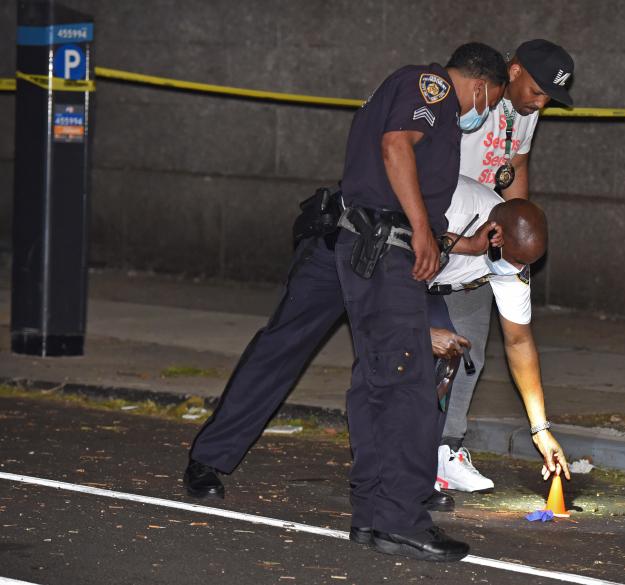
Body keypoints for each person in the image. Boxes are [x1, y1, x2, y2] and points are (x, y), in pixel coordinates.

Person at [182, 43, 508, 563]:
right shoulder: (437, 88)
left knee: (388, 373)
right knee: (317, 357)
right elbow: (395, 148)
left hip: (373, 247)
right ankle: (215, 459)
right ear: (484, 87)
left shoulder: (424, 98)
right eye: (490, 103)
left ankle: (382, 510)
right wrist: (425, 231)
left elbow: (418, 207)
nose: (484, 114)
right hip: (363, 243)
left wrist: (446, 240)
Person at [438, 39, 575, 493]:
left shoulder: (527, 113)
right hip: (443, 218)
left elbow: (516, 164)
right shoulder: (479, 99)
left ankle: (445, 449)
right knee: (416, 341)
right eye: (536, 91)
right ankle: (405, 450)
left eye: (547, 100)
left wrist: (514, 229)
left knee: (467, 350)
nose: (539, 104)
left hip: (489, 229)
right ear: (513, 72)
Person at [430, 175, 571, 498]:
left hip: (459, 277)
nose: (517, 269)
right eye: (514, 260)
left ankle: (444, 451)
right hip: (402, 260)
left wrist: (540, 429)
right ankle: (395, 457)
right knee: (410, 353)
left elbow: (519, 341)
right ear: (494, 235)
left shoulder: (513, 259)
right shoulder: (451, 206)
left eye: (525, 265)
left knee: (464, 355)